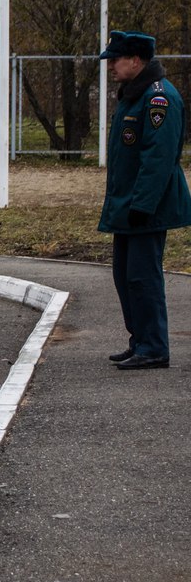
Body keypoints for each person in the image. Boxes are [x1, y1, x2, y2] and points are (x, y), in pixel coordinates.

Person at [98, 30, 191, 370]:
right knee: (125, 276)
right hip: (129, 207)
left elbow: (158, 159)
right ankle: (140, 340)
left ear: (136, 60)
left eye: (116, 60)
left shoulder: (158, 99)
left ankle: (153, 347)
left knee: (142, 277)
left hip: (146, 209)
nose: (111, 67)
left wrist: (142, 205)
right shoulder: (134, 95)